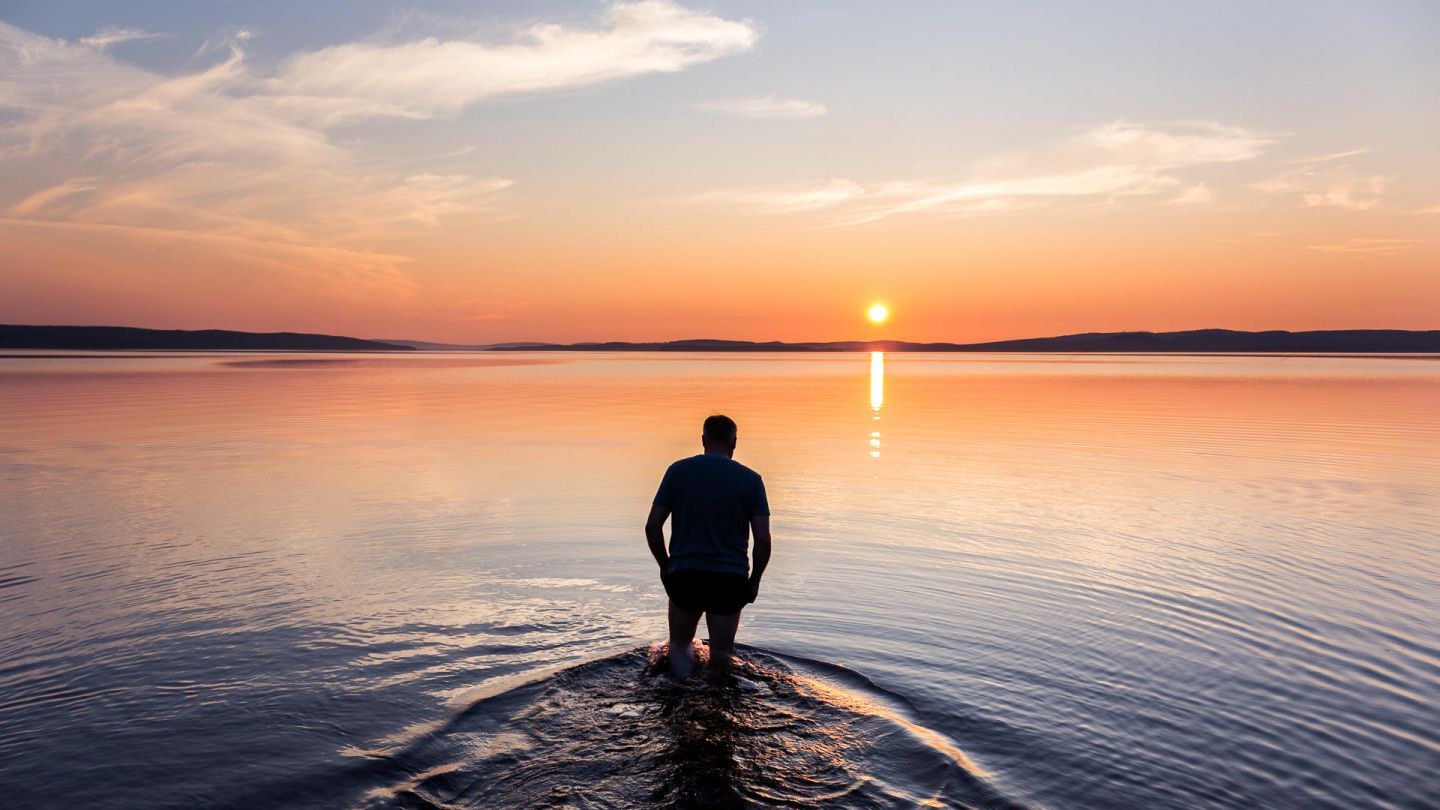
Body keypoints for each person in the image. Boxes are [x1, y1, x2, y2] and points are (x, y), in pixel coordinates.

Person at [645, 414, 772, 678]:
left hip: (685, 574)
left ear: (703, 440)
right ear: (734, 443)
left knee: (679, 645)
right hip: (730, 579)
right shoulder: (751, 480)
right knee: (722, 654)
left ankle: (679, 693)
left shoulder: (678, 471)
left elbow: (652, 526)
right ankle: (717, 701)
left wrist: (665, 567)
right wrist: (754, 581)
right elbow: (762, 540)